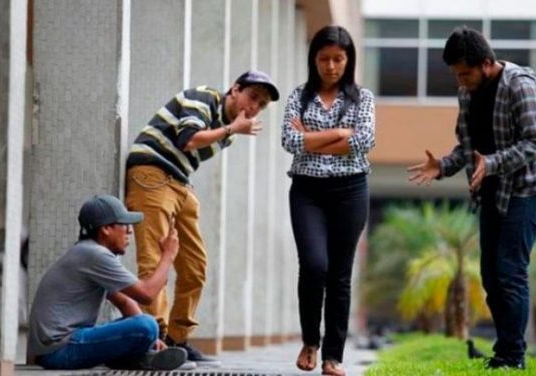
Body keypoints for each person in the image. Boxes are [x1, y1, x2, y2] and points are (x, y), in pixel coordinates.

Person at [407, 26, 536, 370]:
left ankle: (513, 356)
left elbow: (534, 143)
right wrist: (442, 166)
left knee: (510, 269)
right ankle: (505, 349)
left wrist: (492, 163)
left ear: (486, 63)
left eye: (465, 73)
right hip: (491, 187)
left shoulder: (519, 86)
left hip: (529, 188)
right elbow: (466, 147)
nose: (460, 81)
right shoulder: (468, 93)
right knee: (491, 275)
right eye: (456, 75)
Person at [125, 70, 279, 366]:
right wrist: (232, 129)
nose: (254, 107)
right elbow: (187, 140)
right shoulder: (204, 97)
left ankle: (176, 340)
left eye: (261, 105)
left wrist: (229, 131)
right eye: (253, 97)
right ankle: (154, 341)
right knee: (155, 260)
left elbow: (189, 156)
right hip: (152, 173)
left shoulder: (227, 132)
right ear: (235, 89)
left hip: (179, 182)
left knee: (195, 266)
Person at [281, 25, 375, 376]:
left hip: (351, 191)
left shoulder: (362, 98)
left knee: (339, 274)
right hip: (307, 191)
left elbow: (364, 141)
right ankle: (310, 339)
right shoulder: (299, 96)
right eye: (324, 58)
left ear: (348, 60)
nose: (331, 66)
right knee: (314, 265)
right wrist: (338, 133)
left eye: (338, 59)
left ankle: (332, 357)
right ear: (314, 59)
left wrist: (312, 137)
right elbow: (290, 141)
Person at [27, 194, 187, 370]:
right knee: (147, 325)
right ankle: (140, 358)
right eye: (124, 224)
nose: (130, 231)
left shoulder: (86, 253)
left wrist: (151, 340)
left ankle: (140, 358)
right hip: (60, 351)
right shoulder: (94, 254)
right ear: (105, 229)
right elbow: (147, 294)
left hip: (56, 349)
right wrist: (168, 255)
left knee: (145, 327)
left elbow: (125, 301)